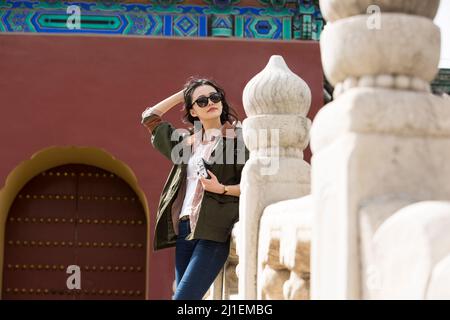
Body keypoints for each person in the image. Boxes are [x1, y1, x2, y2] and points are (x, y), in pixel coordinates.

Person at [141, 77, 249, 300]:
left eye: (214, 97)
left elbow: (253, 184)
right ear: (192, 111)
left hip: (213, 230)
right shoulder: (187, 142)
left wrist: (222, 189)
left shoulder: (237, 139)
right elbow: (150, 118)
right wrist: (184, 93)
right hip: (184, 229)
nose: (210, 102)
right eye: (201, 101)